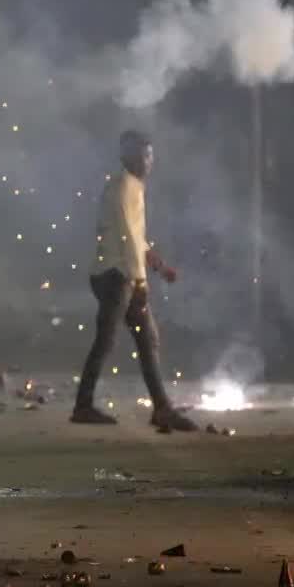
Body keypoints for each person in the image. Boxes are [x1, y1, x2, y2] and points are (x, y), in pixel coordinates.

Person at [71, 131, 196, 431]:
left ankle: (161, 409)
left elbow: (135, 237)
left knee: (145, 339)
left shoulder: (128, 186)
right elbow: (127, 237)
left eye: (150, 155)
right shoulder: (125, 186)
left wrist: (158, 265)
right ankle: (84, 406)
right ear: (127, 157)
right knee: (109, 341)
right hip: (118, 276)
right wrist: (139, 281)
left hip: (118, 273)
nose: (148, 161)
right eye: (142, 155)